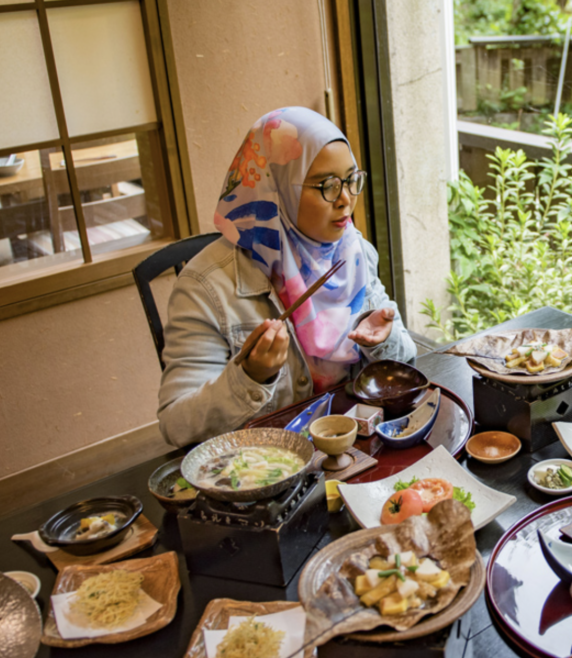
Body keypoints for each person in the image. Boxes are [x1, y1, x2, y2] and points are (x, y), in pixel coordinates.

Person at [157, 107, 415, 447]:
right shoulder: (205, 287)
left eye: (352, 181)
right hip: (266, 467)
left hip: (350, 450)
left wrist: (382, 341)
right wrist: (250, 377)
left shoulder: (353, 253)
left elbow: (406, 362)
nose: (346, 200)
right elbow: (177, 424)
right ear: (274, 190)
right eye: (327, 185)